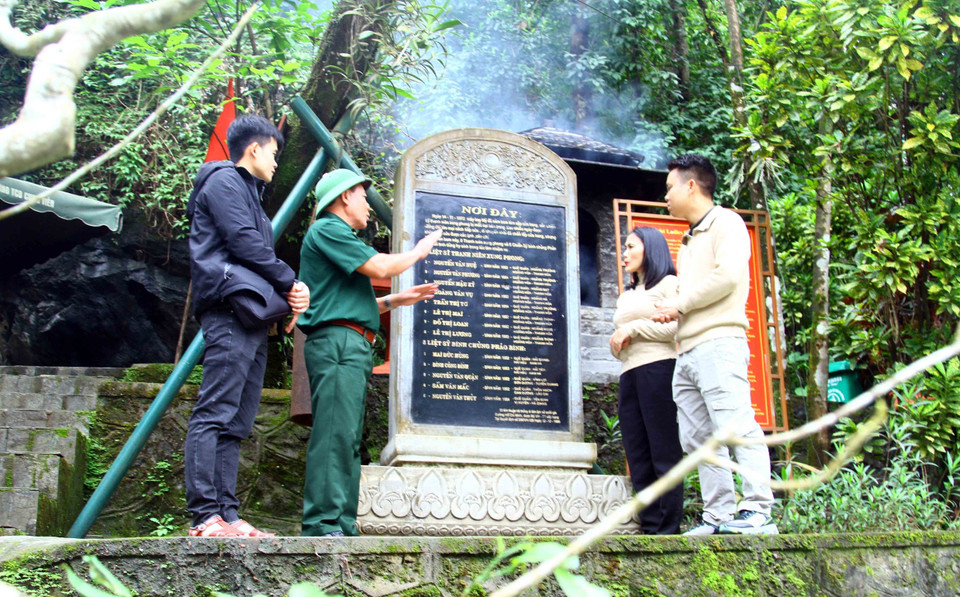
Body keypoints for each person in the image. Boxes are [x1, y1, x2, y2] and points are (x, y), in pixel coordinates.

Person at [297, 168, 442, 537]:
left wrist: (396, 299)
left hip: (351, 342)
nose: (367, 205)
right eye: (363, 196)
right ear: (345, 196)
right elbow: (379, 266)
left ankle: (341, 522)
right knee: (334, 432)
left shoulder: (339, 238)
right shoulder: (328, 228)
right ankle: (322, 523)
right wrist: (418, 251)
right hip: (338, 344)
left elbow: (347, 303)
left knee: (347, 435)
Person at [184, 114, 310, 538]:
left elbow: (252, 251)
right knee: (215, 411)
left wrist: (288, 292)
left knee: (237, 420)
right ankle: (205, 515)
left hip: (251, 320)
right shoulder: (222, 181)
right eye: (274, 152)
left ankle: (229, 515)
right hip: (227, 312)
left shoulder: (250, 194)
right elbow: (243, 243)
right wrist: (290, 281)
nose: (275, 162)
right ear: (253, 149)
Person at [651, 153, 777, 535]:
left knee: (735, 426)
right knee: (698, 438)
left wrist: (679, 305)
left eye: (670, 188)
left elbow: (726, 277)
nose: (666, 197)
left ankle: (758, 511)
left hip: (720, 342)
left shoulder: (728, 223)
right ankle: (719, 515)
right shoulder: (688, 241)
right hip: (687, 350)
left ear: (692, 186)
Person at [609, 226, 684, 535]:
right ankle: (650, 524)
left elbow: (675, 329)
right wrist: (617, 343)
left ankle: (669, 526)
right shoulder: (627, 295)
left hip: (659, 370)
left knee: (662, 447)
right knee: (637, 449)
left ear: (649, 248)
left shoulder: (669, 284)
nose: (624, 254)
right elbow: (624, 336)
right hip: (629, 373)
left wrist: (635, 328)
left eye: (630, 247)